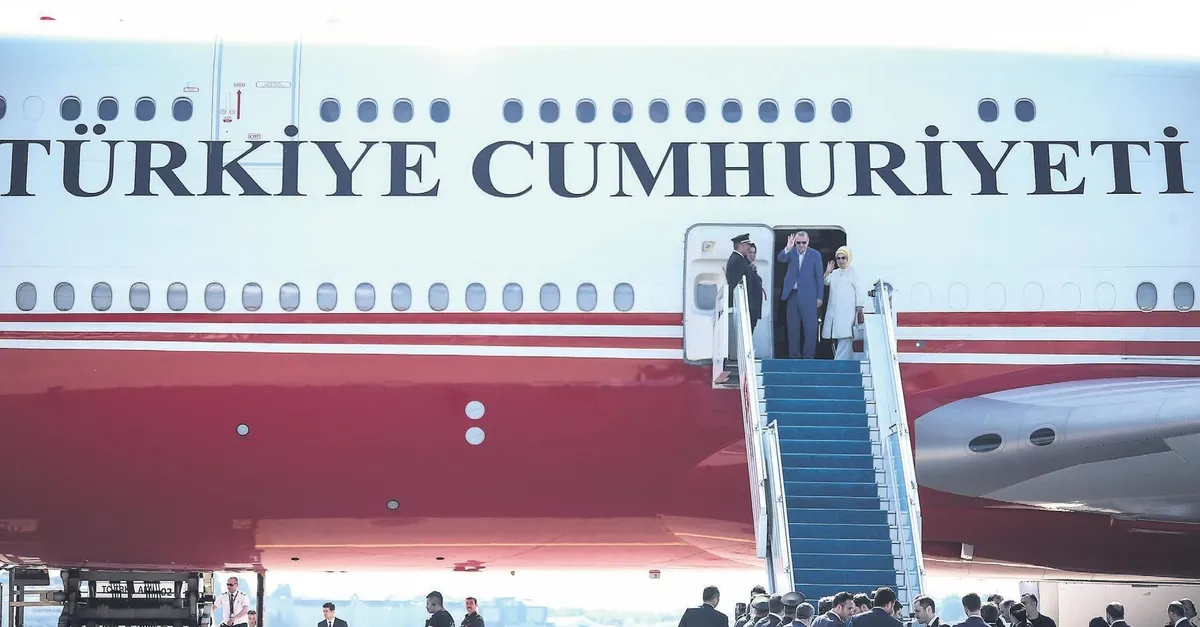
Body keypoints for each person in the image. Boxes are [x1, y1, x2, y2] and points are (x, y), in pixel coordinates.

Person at [776, 231, 823, 359]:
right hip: (792, 296)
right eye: (798, 243)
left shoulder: (815, 255)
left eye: (804, 242)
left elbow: (819, 277)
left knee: (810, 329)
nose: (801, 245)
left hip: (809, 296)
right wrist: (788, 247)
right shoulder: (791, 252)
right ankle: (794, 356)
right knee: (792, 328)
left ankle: (808, 357)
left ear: (808, 242)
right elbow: (780, 258)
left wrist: (820, 297)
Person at [821, 245, 865, 360]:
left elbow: (859, 291)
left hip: (848, 312)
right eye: (838, 258)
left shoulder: (854, 273)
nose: (841, 260)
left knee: (845, 337)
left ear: (848, 258)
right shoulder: (835, 273)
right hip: (835, 312)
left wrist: (859, 309)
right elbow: (825, 282)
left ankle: (839, 362)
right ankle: (840, 362)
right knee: (841, 338)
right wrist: (827, 271)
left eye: (843, 258)